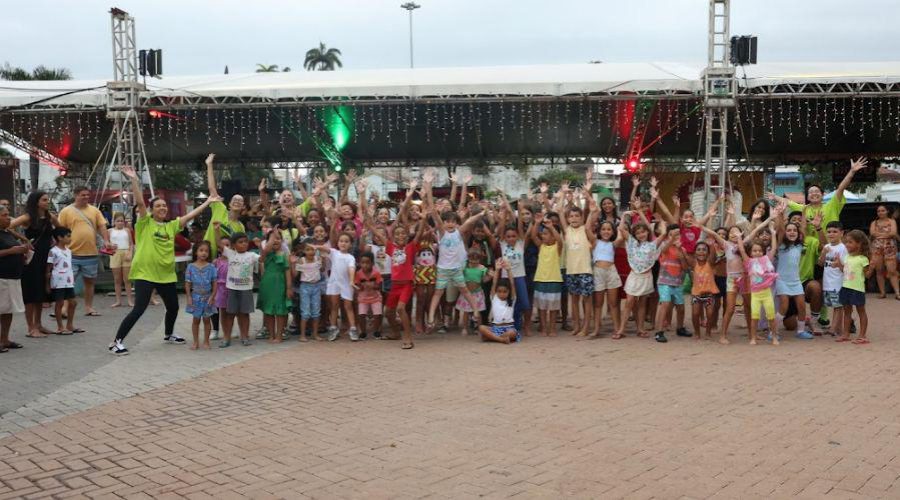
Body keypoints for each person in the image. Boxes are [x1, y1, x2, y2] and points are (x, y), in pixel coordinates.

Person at [110, 166, 219, 356]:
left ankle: (168, 335)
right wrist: (134, 179)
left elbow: (190, 216)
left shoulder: (171, 226)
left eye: (164, 206)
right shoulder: (145, 223)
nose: (162, 208)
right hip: (145, 273)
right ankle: (116, 342)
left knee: (174, 307)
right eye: (158, 206)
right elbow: (140, 204)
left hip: (166, 274)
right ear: (152, 210)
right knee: (139, 309)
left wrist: (208, 202)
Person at [57, 186, 112, 317]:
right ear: (75, 195)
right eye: (83, 195)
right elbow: (60, 230)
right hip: (71, 253)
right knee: (68, 282)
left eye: (88, 195)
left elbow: (102, 226)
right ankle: (64, 308)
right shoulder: (66, 211)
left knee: (90, 282)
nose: (86, 197)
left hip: (91, 253)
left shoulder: (94, 210)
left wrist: (106, 240)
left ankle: (88, 307)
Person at [11, 191, 58, 337]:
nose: (47, 202)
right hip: (32, 259)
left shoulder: (50, 216)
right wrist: (24, 239)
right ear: (36, 201)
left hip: (46, 257)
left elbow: (61, 228)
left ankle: (38, 324)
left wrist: (56, 241)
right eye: (44, 199)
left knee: (41, 292)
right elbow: (8, 226)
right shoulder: (28, 217)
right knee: (31, 292)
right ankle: (31, 327)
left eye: (47, 199)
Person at [214, 227, 260, 347]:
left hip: (246, 289)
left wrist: (260, 246)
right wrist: (217, 230)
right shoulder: (230, 254)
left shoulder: (251, 255)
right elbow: (219, 243)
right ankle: (226, 338)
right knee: (230, 314)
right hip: (232, 289)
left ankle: (244, 337)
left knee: (244, 314)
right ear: (233, 245)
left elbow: (263, 257)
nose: (244, 244)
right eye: (240, 242)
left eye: (245, 241)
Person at [312, 233, 357, 341]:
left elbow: (351, 269)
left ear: (350, 244)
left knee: (348, 307)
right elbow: (325, 248)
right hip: (334, 283)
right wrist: (316, 247)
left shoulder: (350, 257)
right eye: (341, 241)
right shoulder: (334, 253)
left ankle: (353, 329)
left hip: (346, 284)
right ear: (338, 243)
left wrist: (351, 281)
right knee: (334, 306)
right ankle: (333, 328)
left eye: (346, 241)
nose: (343, 243)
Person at [739, 223, 780, 345]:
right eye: (754, 251)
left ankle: (774, 337)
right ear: (750, 252)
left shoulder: (767, 259)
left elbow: (773, 248)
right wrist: (739, 238)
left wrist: (773, 234)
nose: (757, 252)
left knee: (771, 316)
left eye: (759, 250)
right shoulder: (749, 262)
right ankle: (753, 337)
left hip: (767, 293)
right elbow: (741, 250)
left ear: (763, 252)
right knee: (754, 317)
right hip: (755, 294)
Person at [203, 153, 246, 258]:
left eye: (240, 201)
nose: (237, 201)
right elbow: (212, 189)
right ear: (230, 204)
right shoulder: (220, 208)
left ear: (243, 207)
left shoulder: (241, 227)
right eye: (234, 199)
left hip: (226, 261)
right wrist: (209, 164)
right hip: (206, 254)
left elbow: (239, 247)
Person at [836, 230, 874, 344]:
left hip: (857, 289)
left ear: (859, 244)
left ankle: (862, 336)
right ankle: (846, 334)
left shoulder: (863, 259)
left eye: (850, 242)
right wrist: (839, 265)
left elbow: (867, 275)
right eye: (846, 242)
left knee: (861, 311)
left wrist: (871, 267)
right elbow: (846, 271)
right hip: (845, 287)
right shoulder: (847, 257)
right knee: (847, 311)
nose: (847, 244)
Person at [0, 205, 29, 352]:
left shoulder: (8, 233)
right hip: (1, 277)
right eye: (4, 215)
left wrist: (21, 253)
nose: (8, 218)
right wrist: (11, 251)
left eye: (8, 214)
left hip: (13, 276)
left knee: (7, 309)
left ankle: (4, 339)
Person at [530, 212, 563, 337]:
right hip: (540, 279)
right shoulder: (541, 246)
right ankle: (544, 328)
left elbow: (559, 240)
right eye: (542, 233)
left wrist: (551, 227)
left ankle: (553, 328)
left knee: (553, 308)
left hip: (554, 280)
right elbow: (533, 236)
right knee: (542, 308)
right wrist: (537, 223)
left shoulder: (557, 247)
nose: (542, 236)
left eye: (545, 234)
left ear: (553, 236)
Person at [46, 227, 83, 335]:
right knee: (60, 303)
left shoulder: (68, 251)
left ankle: (69, 325)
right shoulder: (53, 251)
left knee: (73, 302)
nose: (70, 238)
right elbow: (48, 268)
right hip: (58, 281)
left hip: (68, 280)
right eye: (68, 236)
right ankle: (60, 327)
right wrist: (47, 284)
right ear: (59, 238)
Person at [257, 230, 292, 344]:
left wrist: (288, 288)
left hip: (280, 286)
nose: (275, 240)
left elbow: (287, 273)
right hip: (267, 285)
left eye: (278, 238)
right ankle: (271, 335)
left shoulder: (285, 255)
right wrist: (270, 240)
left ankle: (279, 335)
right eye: (272, 238)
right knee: (268, 311)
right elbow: (262, 257)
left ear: (282, 241)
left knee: (280, 311)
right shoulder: (266, 254)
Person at [184, 241, 218, 350]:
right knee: (196, 320)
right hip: (195, 297)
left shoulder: (211, 267)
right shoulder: (190, 267)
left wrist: (213, 296)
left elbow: (215, 283)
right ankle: (195, 342)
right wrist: (189, 297)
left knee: (207, 320)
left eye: (206, 251)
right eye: (201, 250)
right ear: (196, 252)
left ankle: (206, 341)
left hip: (208, 298)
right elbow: (188, 283)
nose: (204, 253)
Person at [477, 260, 519, 344]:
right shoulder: (494, 298)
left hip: (509, 328)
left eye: (504, 292)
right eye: (499, 291)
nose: (502, 294)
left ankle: (493, 338)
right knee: (481, 327)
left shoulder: (512, 299)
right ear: (496, 291)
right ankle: (501, 339)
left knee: (513, 333)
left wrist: (508, 270)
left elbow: (512, 284)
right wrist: (497, 270)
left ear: (508, 292)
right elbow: (494, 283)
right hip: (495, 328)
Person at [688, 236, 720, 341]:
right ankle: (697, 333)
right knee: (695, 313)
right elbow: (686, 256)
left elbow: (713, 255)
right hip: (696, 294)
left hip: (709, 294)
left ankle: (708, 332)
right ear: (695, 252)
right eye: (699, 249)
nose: (701, 252)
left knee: (710, 314)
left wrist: (711, 245)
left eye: (704, 250)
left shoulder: (710, 263)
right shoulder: (693, 263)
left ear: (707, 252)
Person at [819, 221, 847, 339]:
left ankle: (833, 329)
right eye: (829, 232)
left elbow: (846, 267)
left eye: (835, 232)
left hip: (838, 282)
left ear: (841, 233)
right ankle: (839, 329)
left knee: (838, 306)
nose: (831, 234)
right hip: (828, 282)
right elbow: (820, 263)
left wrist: (838, 265)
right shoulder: (826, 247)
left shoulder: (843, 248)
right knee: (835, 305)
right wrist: (823, 254)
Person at [869, 204, 899, 300]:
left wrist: (880, 235)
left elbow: (893, 233)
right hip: (877, 248)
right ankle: (882, 293)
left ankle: (898, 293)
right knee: (879, 270)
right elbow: (872, 233)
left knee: (892, 270)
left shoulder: (892, 221)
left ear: (887, 211)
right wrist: (887, 234)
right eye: (879, 211)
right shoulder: (874, 222)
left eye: (882, 210)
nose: (880, 212)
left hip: (889, 248)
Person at [297, 242, 324, 342]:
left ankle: (315, 334)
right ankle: (302, 335)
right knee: (305, 311)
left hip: (316, 286)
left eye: (312, 249)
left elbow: (323, 269)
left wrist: (323, 260)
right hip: (305, 287)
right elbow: (296, 274)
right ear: (304, 251)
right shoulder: (302, 260)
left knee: (316, 311)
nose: (311, 252)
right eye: (308, 249)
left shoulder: (318, 259)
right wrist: (293, 264)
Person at [354, 251, 383, 340]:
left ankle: (376, 331)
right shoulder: (358, 274)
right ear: (360, 263)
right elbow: (356, 285)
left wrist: (374, 286)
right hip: (363, 298)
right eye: (363, 263)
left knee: (377, 315)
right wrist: (361, 287)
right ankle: (363, 332)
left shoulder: (376, 273)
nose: (365, 265)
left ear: (372, 263)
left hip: (375, 298)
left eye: (367, 263)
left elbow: (380, 286)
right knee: (361, 315)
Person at [108, 212, 134, 307]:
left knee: (127, 279)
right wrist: (110, 245)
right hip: (115, 254)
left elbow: (131, 243)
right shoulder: (110, 231)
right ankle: (118, 301)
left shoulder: (127, 230)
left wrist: (130, 253)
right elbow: (105, 244)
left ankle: (130, 300)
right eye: (118, 221)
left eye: (122, 221)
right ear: (114, 221)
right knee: (117, 279)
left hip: (126, 252)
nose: (120, 223)